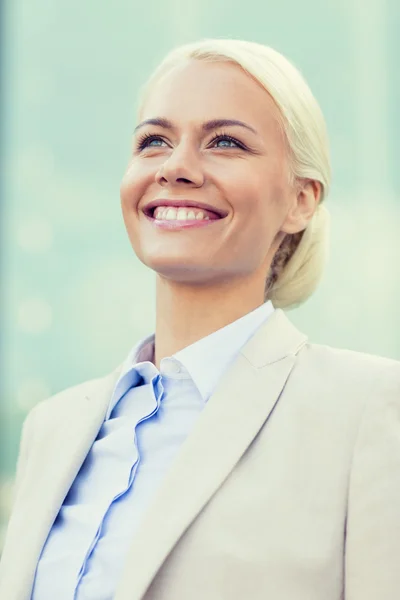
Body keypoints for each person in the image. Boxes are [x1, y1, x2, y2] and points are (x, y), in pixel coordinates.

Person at [0, 38, 399, 600]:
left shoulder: (373, 410)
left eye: (226, 142)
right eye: (154, 141)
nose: (176, 167)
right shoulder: (52, 427)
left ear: (301, 199)